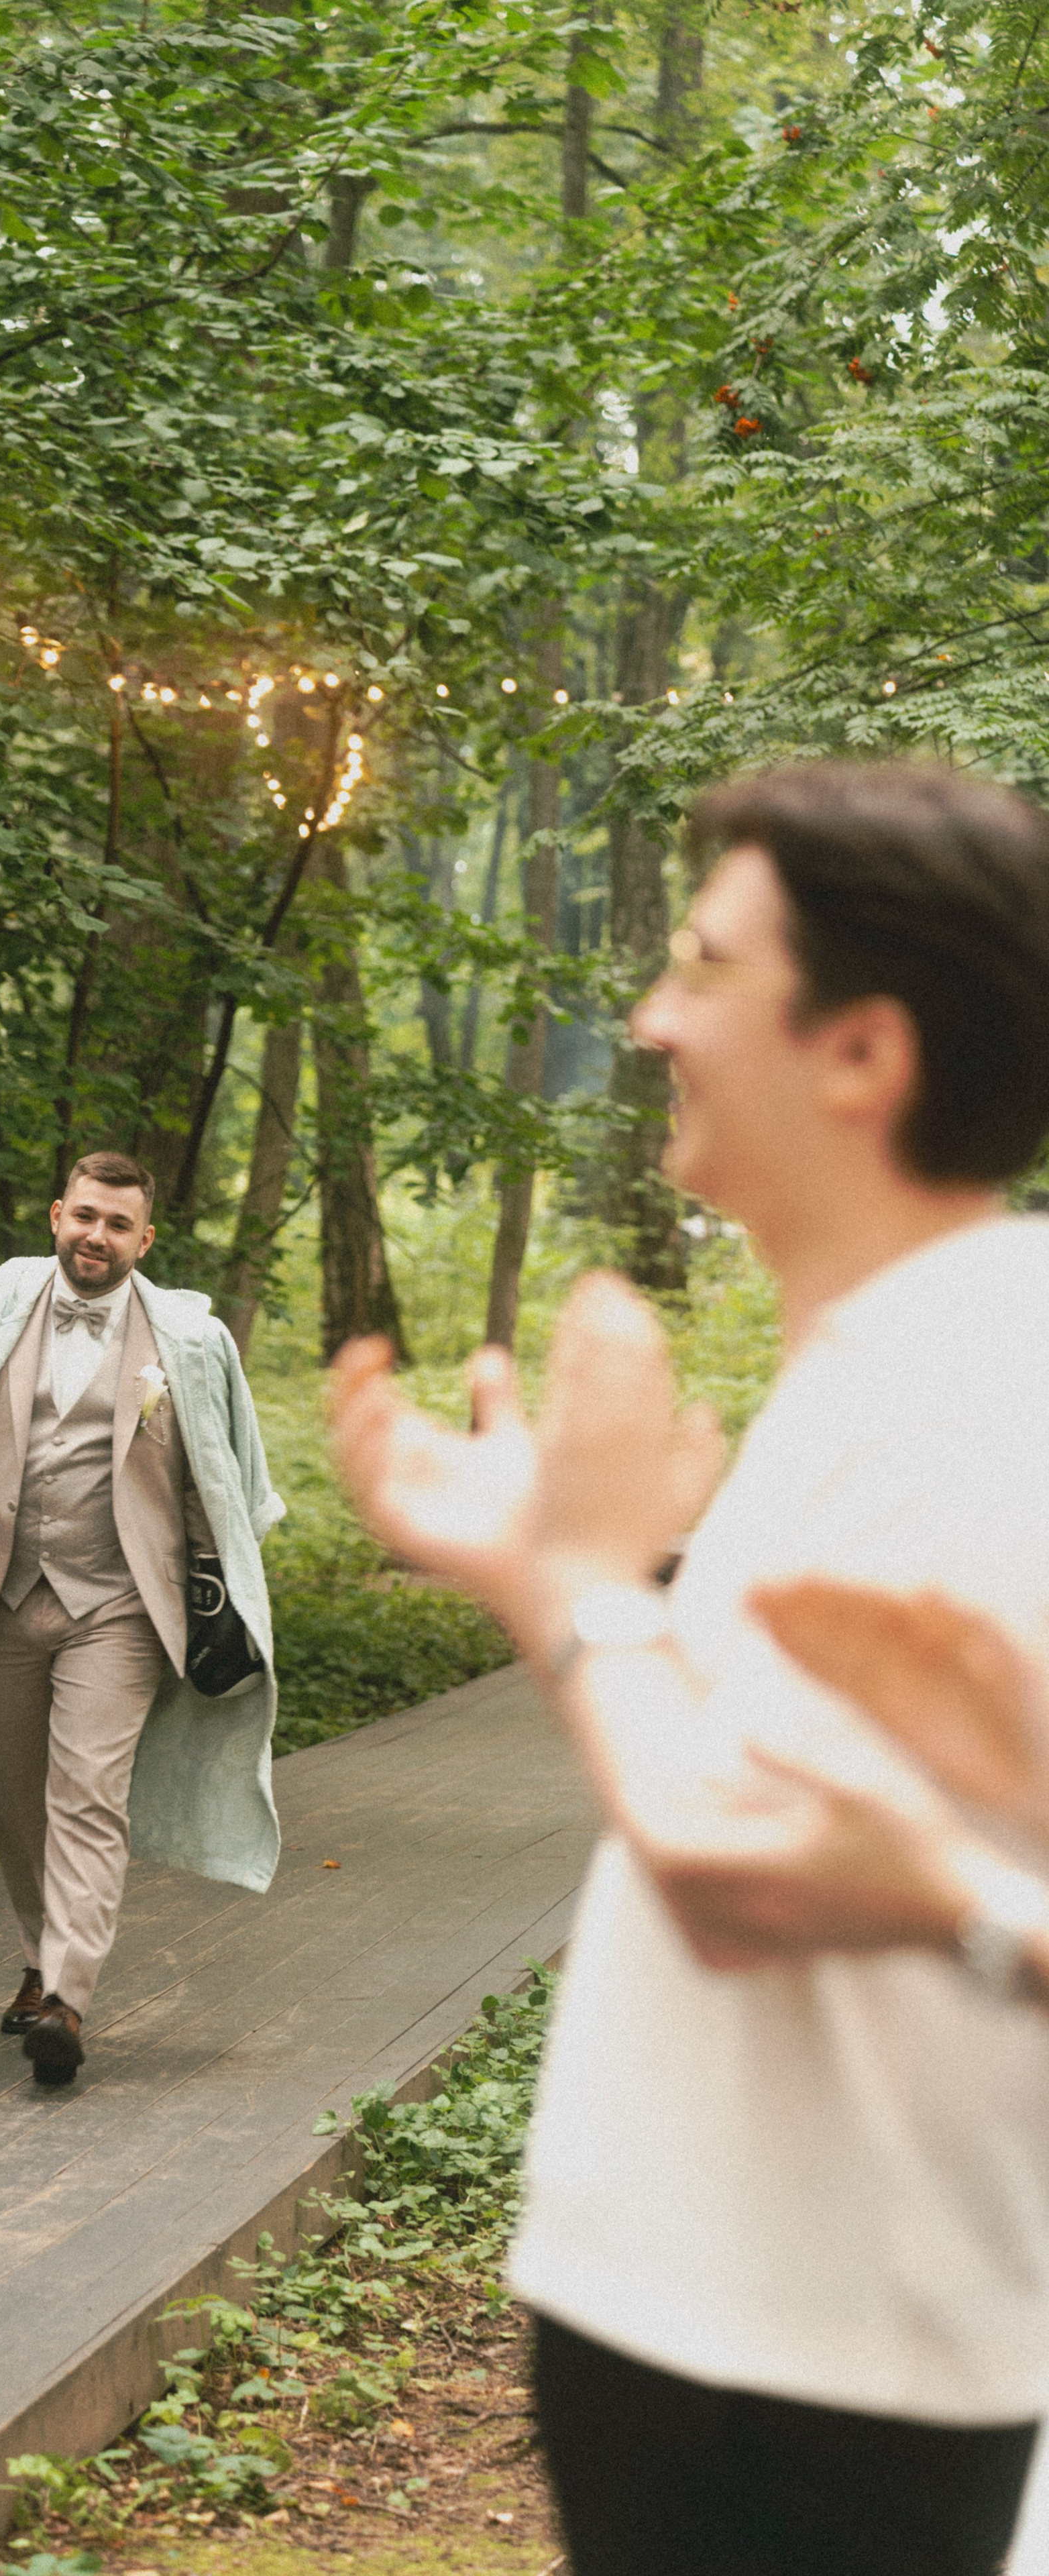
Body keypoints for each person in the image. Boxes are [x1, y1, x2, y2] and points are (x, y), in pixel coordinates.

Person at [329, 760, 1049, 2575]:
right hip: (730, 2331)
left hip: (824, 2374)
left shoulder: (978, 1387)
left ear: (861, 1053)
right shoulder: (892, 1358)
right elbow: (738, 1786)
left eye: (705, 968)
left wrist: (574, 1582)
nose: (649, 1019)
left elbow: (747, 1868)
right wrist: (547, 1575)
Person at [0, 1150, 282, 2086]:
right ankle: (40, 1957)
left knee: (88, 1793)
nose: (96, 1236)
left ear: (145, 1240)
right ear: (56, 1216)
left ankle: (68, 1999)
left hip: (120, 1602)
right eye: (85, 1217)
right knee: (12, 1795)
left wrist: (218, 1586)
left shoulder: (189, 1342)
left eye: (118, 1225)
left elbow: (209, 1473)